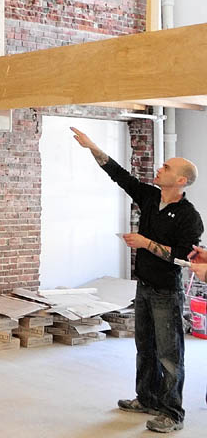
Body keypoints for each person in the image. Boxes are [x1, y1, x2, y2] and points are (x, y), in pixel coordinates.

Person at [71, 127, 203, 434]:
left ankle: (172, 412)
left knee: (170, 356)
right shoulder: (150, 196)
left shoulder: (189, 216)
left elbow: (184, 257)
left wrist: (145, 243)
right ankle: (147, 398)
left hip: (165, 293)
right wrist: (91, 146)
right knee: (145, 348)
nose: (160, 168)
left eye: (167, 167)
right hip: (143, 287)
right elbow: (119, 174)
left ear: (181, 181)